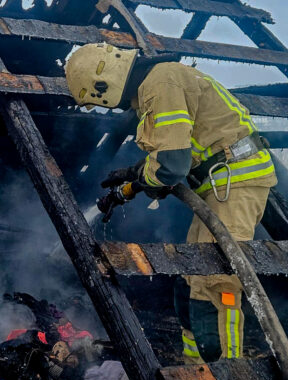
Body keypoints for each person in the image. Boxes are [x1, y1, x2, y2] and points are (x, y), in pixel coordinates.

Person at [65, 43, 277, 363]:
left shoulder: (161, 83)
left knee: (215, 283)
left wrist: (142, 181)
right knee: (191, 279)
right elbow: (175, 151)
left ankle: (228, 374)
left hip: (235, 183)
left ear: (103, 83)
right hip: (220, 186)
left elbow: (172, 166)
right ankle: (198, 369)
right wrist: (134, 174)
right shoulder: (158, 83)